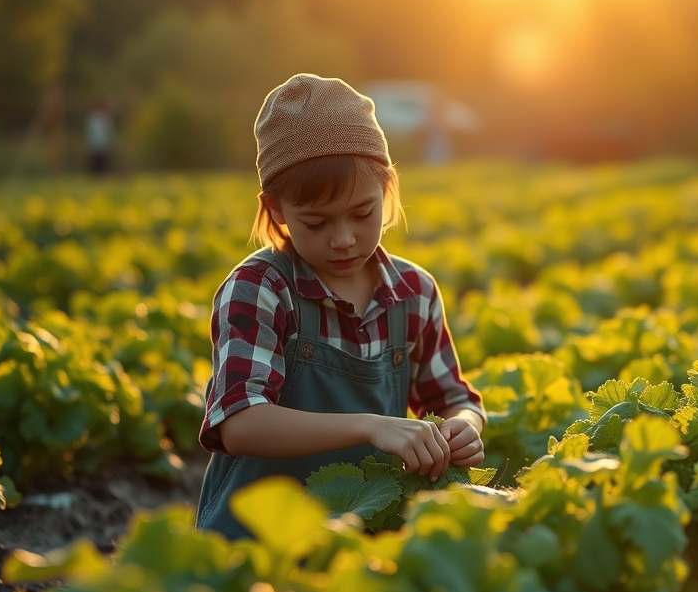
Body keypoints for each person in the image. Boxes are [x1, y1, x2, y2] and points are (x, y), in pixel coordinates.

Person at [196, 74, 486, 540]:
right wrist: (371, 428)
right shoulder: (260, 288)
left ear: (388, 188)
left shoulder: (415, 293)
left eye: (362, 213)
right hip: (255, 544)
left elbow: (454, 400)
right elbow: (241, 423)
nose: (344, 238)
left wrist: (463, 428)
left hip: (363, 536)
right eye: (316, 222)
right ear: (276, 210)